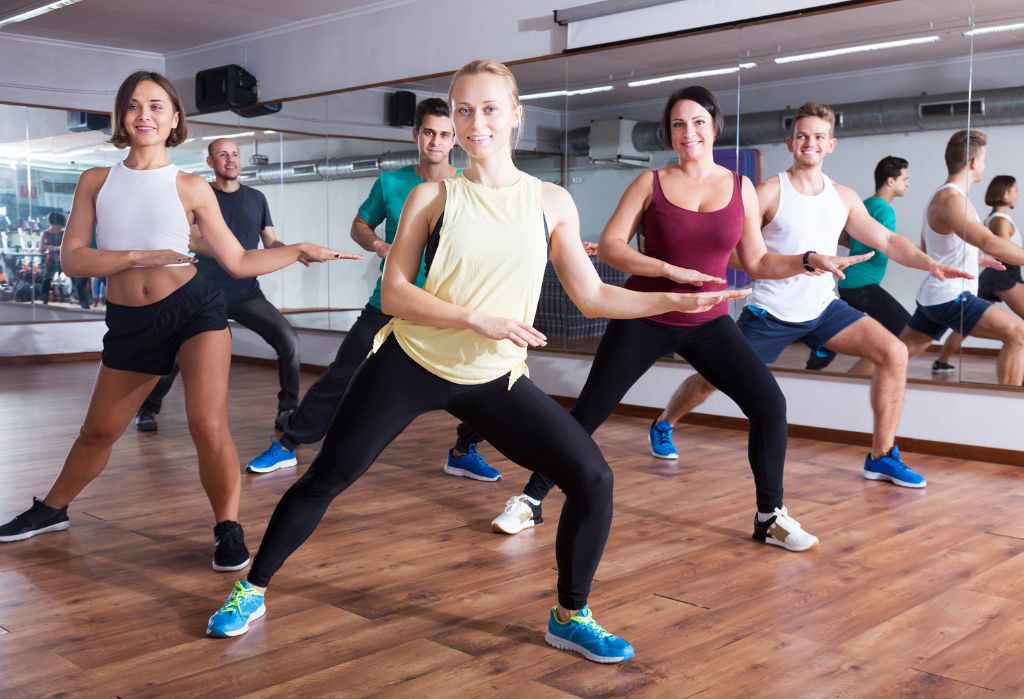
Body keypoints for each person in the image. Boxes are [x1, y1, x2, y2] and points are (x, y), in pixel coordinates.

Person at [206, 60, 748, 664]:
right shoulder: (433, 195)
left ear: (516, 116)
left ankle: (570, 616)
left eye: (489, 108)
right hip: (411, 362)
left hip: (493, 378)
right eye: (463, 109)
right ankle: (250, 589)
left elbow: (591, 294)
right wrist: (475, 318)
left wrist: (675, 297)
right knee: (330, 475)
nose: (475, 122)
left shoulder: (551, 202)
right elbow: (395, 294)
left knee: (593, 479)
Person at [0, 71, 356, 574]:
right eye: (134, 106)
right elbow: (74, 260)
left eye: (156, 106)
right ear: (122, 117)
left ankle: (227, 527)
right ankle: (52, 509)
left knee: (206, 424)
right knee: (98, 431)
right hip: (131, 320)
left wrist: (298, 251)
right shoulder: (96, 181)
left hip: (195, 309)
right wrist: (135, 257)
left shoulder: (190, 186)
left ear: (174, 120)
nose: (145, 115)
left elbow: (237, 262)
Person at [491, 87, 873, 549]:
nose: (688, 133)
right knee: (590, 410)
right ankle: (529, 501)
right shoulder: (650, 183)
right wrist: (667, 270)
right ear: (669, 133)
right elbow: (612, 246)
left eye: (697, 122)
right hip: (646, 313)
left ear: (714, 127)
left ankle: (770, 515)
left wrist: (809, 259)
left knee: (769, 405)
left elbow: (756, 261)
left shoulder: (741, 189)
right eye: (677, 124)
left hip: (708, 321)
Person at [652, 103, 970, 489]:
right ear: (790, 142)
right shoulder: (769, 191)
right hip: (770, 311)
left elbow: (886, 239)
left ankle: (881, 456)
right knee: (710, 380)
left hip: (823, 309)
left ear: (831, 144)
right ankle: (665, 421)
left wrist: (930, 264)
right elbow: (737, 252)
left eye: (819, 137)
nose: (809, 143)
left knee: (895, 352)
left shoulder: (843, 197)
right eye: (802, 136)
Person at [245, 98, 501, 481]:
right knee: (341, 374)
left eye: (445, 135)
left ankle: (464, 451)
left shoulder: (470, 187)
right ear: (416, 135)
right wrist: (380, 246)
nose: (436, 141)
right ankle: (287, 445)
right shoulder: (391, 183)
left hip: (444, 307)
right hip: (390, 301)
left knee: (487, 379)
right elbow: (359, 226)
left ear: (455, 141)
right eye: (429, 132)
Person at [133, 138, 302, 434]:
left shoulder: (257, 198)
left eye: (235, 154)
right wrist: (235, 255)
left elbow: (271, 241)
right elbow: (194, 240)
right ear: (210, 162)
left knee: (289, 341)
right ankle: (148, 408)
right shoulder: (199, 195)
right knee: (173, 355)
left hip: (247, 292)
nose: (231, 159)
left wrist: (296, 251)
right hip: (204, 293)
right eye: (223, 155)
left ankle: (288, 410)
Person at [900, 133, 1024, 386]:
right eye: (984, 159)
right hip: (951, 296)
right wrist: (986, 253)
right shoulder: (953, 199)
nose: (985, 165)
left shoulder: (942, 197)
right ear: (973, 163)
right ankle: (1005, 407)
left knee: (896, 353)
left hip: (936, 296)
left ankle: (846, 390)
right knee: (1018, 334)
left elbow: (930, 249)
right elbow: (989, 242)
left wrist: (976, 261)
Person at [931, 174, 1024, 373]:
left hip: (991, 276)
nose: (1018, 194)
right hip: (1004, 275)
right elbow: (1000, 248)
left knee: (968, 323)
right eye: (1015, 189)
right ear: (1005, 192)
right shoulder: (1002, 220)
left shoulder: (991, 218)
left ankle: (942, 360)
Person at [39, 211, 66, 305]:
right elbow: (41, 250)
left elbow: (41, 250)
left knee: (46, 281)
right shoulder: (62, 233)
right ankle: (45, 300)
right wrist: (50, 248)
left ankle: (45, 300)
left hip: (59, 260)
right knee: (46, 281)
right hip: (58, 260)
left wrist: (50, 248)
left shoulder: (46, 233)